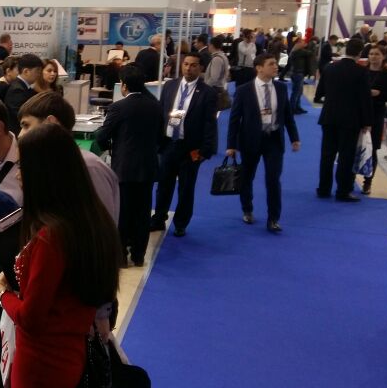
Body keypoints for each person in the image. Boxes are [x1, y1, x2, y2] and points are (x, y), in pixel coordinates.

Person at [0, 123, 121, 388]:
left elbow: (31, 317)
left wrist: (3, 293)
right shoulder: (92, 220)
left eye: (24, 166)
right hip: (69, 352)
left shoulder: (52, 237)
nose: (18, 175)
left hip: (41, 361)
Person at [96, 66, 163, 266]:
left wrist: (110, 148)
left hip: (124, 168)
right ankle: (139, 255)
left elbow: (102, 136)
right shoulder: (156, 105)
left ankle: (121, 256)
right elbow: (160, 137)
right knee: (143, 213)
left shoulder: (118, 107)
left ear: (124, 85)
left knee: (123, 212)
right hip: (148, 167)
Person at [226, 54, 301, 233]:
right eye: (271, 64)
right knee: (247, 177)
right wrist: (231, 145)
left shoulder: (281, 88)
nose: (276, 67)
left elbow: (287, 115)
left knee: (273, 180)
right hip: (250, 140)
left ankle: (273, 218)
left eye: (275, 64)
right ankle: (247, 209)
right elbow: (234, 119)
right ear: (259, 68)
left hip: (274, 139)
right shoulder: (244, 90)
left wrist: (294, 137)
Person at [17, 92, 119, 222]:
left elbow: (101, 226)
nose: (20, 135)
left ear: (51, 123)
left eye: (26, 125)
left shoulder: (88, 167)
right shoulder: (50, 165)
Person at [151, 53, 218, 236]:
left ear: (201, 68)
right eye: (186, 64)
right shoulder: (170, 86)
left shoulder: (207, 93)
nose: (188, 68)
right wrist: (157, 141)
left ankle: (181, 223)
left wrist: (205, 150)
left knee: (186, 188)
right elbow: (160, 114)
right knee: (163, 185)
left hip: (190, 149)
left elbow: (210, 124)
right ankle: (158, 219)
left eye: (193, 65)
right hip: (168, 145)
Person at [316, 38, 372, 201]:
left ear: (346, 50)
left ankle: (323, 188)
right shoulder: (361, 72)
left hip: (329, 117)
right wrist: (367, 122)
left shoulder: (329, 68)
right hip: (350, 120)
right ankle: (343, 190)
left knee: (327, 155)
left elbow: (319, 93)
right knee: (346, 157)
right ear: (360, 53)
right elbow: (365, 99)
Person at [361, 45, 387, 195]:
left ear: (383, 56)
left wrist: (379, 94)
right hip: (359, 112)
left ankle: (368, 182)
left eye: (377, 54)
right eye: (371, 54)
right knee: (354, 146)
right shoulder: (362, 71)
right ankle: (350, 177)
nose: (373, 56)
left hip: (376, 113)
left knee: (372, 149)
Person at [4, 54, 44, 134]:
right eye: (37, 71)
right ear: (26, 71)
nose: (39, 74)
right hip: (19, 132)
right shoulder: (17, 90)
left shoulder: (24, 87)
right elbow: (21, 115)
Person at [204, 36, 231, 109]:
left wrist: (205, 87)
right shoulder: (223, 56)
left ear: (212, 45)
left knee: (212, 109)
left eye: (209, 45)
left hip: (215, 88)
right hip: (219, 86)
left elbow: (214, 77)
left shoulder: (217, 59)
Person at [287, 36, 310, 114]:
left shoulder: (296, 51)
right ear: (298, 43)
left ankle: (297, 107)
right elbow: (309, 53)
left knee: (299, 92)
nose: (305, 43)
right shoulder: (298, 52)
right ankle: (292, 108)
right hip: (297, 73)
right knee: (296, 92)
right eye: (303, 42)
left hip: (298, 73)